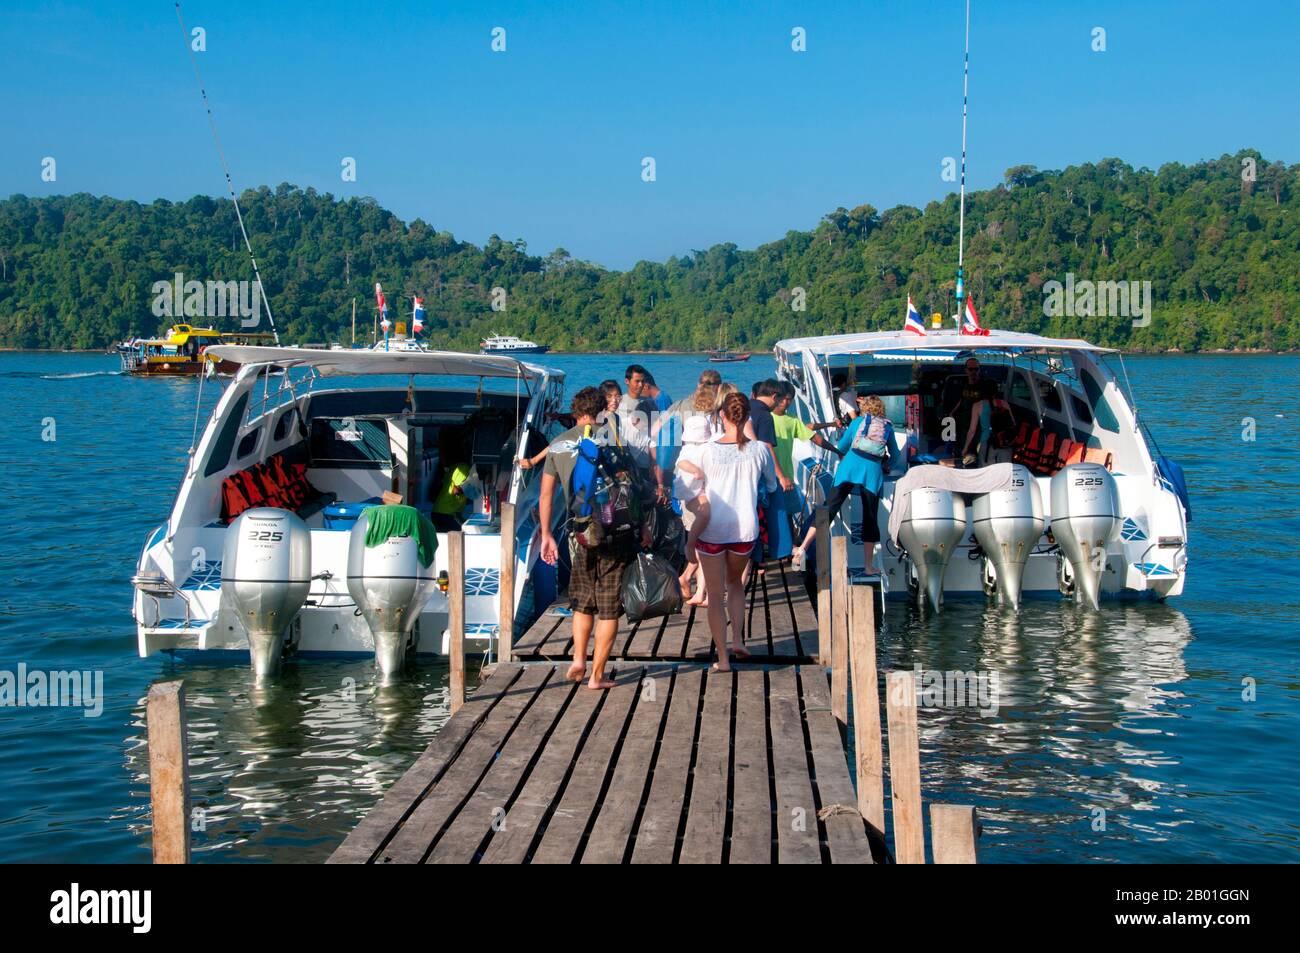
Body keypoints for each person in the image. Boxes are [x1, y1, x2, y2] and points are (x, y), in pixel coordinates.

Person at [538, 386, 642, 691]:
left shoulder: (558, 444)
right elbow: (634, 488)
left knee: (582, 602)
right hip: (616, 533)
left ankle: (579, 660)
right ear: (601, 411)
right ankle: (597, 676)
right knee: (609, 608)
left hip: (580, 533)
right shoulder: (615, 441)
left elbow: (546, 495)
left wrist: (546, 535)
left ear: (574, 412)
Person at [676, 392, 778, 670]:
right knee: (735, 585)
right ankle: (738, 640)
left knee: (715, 594)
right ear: (746, 417)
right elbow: (770, 486)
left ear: (722, 416)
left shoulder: (707, 450)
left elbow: (690, 488)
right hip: (745, 530)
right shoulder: (759, 450)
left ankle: (723, 659)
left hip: (712, 531)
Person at [813, 394, 894, 573]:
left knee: (829, 508)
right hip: (872, 475)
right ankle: (868, 566)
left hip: (848, 469)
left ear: (865, 409)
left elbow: (841, 447)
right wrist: (885, 465)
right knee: (870, 517)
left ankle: (804, 547)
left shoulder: (857, 422)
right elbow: (894, 454)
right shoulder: (887, 426)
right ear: (881, 409)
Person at [673, 414, 714, 606]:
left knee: (702, 547)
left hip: (693, 496)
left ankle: (695, 585)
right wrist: (695, 470)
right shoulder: (696, 449)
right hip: (693, 496)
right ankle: (698, 589)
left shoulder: (694, 447)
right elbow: (681, 463)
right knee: (701, 546)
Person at [945, 358, 997, 463]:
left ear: (979, 370)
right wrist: (952, 412)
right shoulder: (964, 385)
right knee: (963, 453)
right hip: (964, 425)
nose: (973, 372)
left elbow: (991, 403)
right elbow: (961, 399)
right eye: (970, 369)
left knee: (976, 455)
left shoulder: (984, 386)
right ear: (966, 370)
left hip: (979, 428)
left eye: (976, 369)